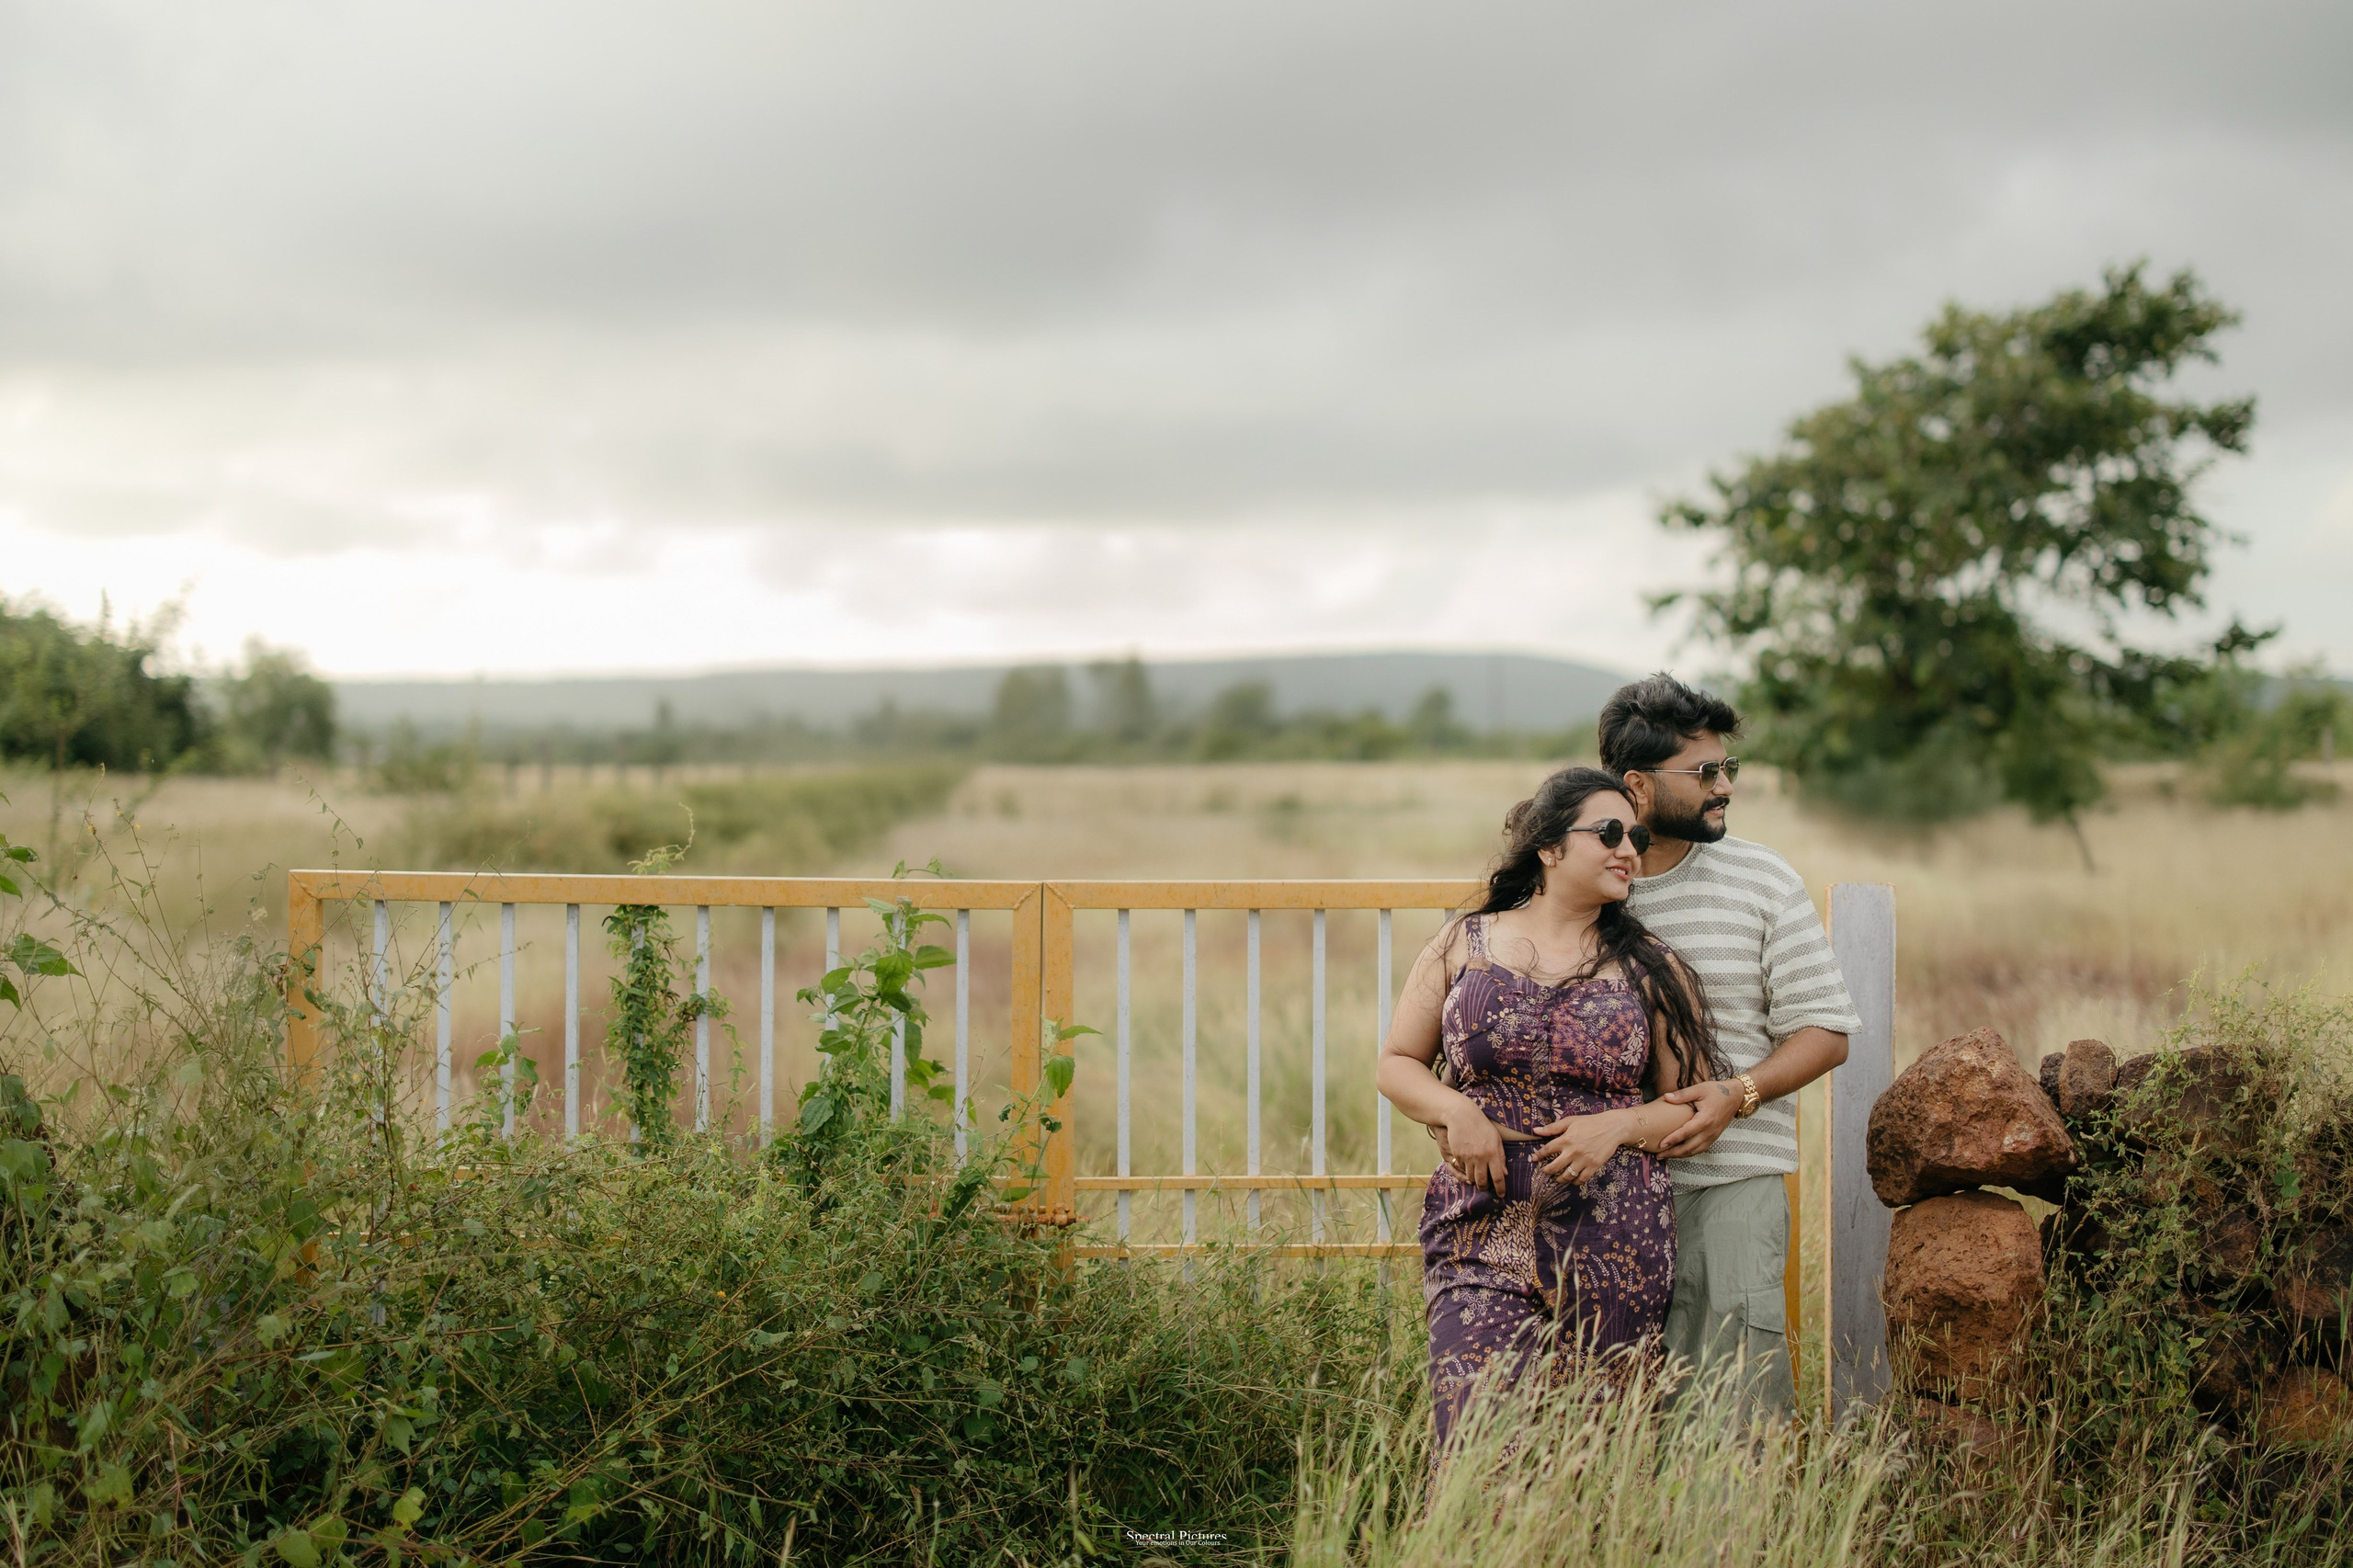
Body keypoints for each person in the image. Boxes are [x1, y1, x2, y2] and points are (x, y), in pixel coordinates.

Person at [1377, 767, 1725, 1455]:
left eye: (1638, 836)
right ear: (1548, 847)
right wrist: (1457, 1111)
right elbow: (1395, 1063)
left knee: (1591, 1454)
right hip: (1482, 1229)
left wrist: (1620, 1124)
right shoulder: (1461, 945)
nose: (1630, 849)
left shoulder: (1652, 968)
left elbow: (1692, 1108)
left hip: (1616, 1237)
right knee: (1474, 1440)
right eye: (1609, 833)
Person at [1603, 673, 1860, 1415]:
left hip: (1731, 1187)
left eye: (1728, 769)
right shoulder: (1584, 883)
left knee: (1730, 1420)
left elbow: (1825, 1029)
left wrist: (1736, 1095)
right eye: (1706, 772)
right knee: (1608, 1421)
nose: (1725, 787)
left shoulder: (1761, 877)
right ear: (1638, 787)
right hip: (1600, 1196)